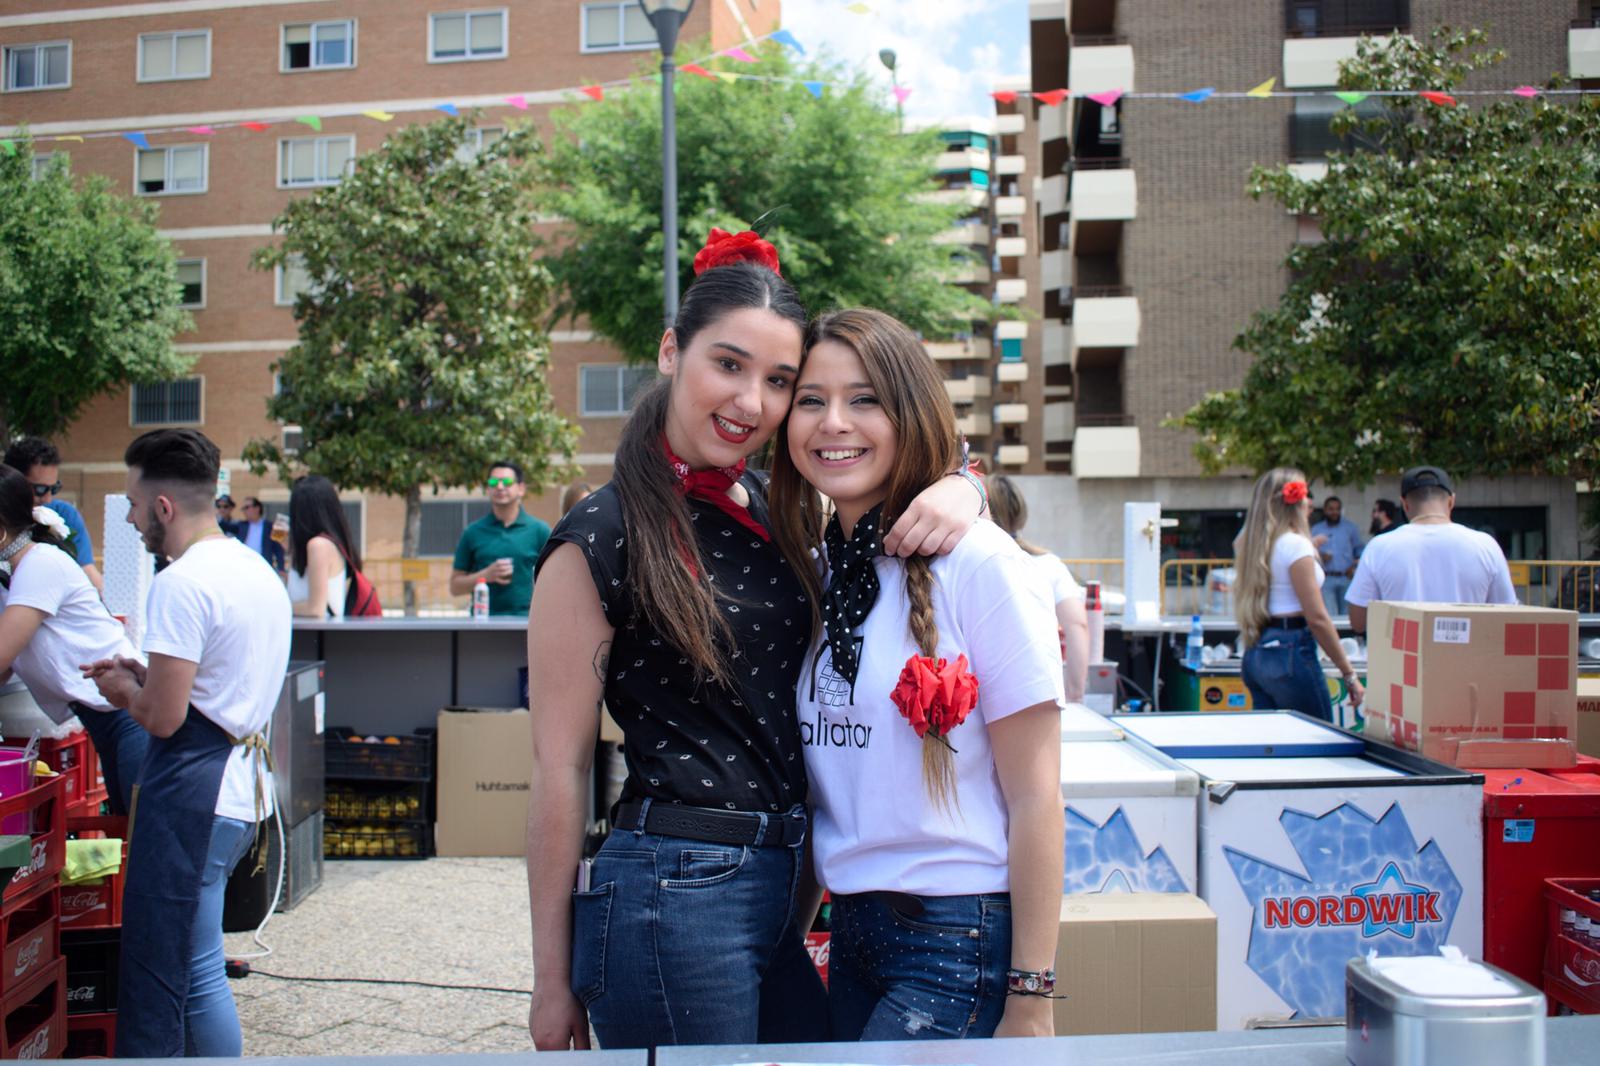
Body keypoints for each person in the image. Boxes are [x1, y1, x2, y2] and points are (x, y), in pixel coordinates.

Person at [524, 229, 981, 1051]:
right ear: (672, 351)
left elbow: (889, 468)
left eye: (778, 381)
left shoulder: (784, 503)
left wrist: (962, 486)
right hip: (673, 886)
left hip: (789, 883)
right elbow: (557, 770)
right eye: (727, 365)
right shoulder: (599, 538)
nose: (751, 403)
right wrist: (549, 981)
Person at [768, 309, 1063, 1041]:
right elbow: (826, 791)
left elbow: (1038, 795)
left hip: (955, 937)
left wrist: (1033, 995)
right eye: (811, 400)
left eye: (864, 399)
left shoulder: (983, 564)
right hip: (854, 932)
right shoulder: (817, 571)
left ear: (912, 411)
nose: (834, 422)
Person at [82, 428, 291, 1057]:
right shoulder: (252, 570)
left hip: (195, 798)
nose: (129, 515)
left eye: (133, 503)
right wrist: (149, 682)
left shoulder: (180, 582)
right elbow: (220, 684)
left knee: (181, 974)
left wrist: (124, 689)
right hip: (240, 792)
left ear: (163, 507)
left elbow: (165, 720)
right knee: (197, 966)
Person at [0, 464, 148, 815]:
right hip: (106, 720)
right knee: (133, 832)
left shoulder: (40, 565)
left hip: (130, 718)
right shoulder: (16, 576)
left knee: (146, 839)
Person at [1233, 468, 1364, 722]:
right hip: (1290, 650)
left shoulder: (1255, 546)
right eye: (1306, 494)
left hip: (1258, 651)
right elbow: (1317, 617)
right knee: (1319, 741)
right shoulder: (1295, 545)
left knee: (1272, 747)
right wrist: (1349, 674)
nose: (1311, 503)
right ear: (1294, 502)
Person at [1346, 466, 1517, 634]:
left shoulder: (1378, 547)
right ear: (1451, 501)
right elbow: (1507, 614)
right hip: (1468, 659)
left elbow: (1358, 621)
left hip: (1403, 658)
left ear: (1405, 504)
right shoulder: (1486, 545)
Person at [988, 474, 1090, 703]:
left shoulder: (972, 562)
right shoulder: (1048, 564)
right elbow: (1077, 625)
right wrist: (1075, 693)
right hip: (1041, 690)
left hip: (986, 692)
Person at [3, 437, 103, 595]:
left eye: (54, 488)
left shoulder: (63, 515)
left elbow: (87, 570)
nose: (48, 499)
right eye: (40, 489)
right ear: (12, 482)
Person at [450, 462, 550, 616]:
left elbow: (556, 579)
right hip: (482, 624)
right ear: (488, 489)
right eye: (493, 482)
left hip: (526, 623)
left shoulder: (539, 530)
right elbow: (455, 587)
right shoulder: (473, 532)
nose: (500, 487)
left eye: (507, 482)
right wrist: (485, 575)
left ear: (521, 488)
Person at [286, 476, 359, 619]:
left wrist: (277, 605)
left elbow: (316, 609)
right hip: (316, 637)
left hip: (315, 637)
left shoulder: (318, 546)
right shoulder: (327, 543)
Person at [1310, 496, 1362, 615]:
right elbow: (1308, 553)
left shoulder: (1350, 528)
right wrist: (1321, 556)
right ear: (1325, 510)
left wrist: (1354, 567)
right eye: (1331, 509)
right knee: (1330, 615)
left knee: (1346, 616)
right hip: (1326, 578)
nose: (1334, 512)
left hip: (1346, 578)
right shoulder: (1316, 530)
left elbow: (1359, 550)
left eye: (1337, 509)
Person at [232, 496, 286, 575]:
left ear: (257, 508)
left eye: (247, 507)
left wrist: (281, 568)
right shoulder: (241, 525)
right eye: (243, 508)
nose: (244, 511)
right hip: (243, 567)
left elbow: (278, 549)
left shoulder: (271, 526)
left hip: (264, 568)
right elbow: (224, 525)